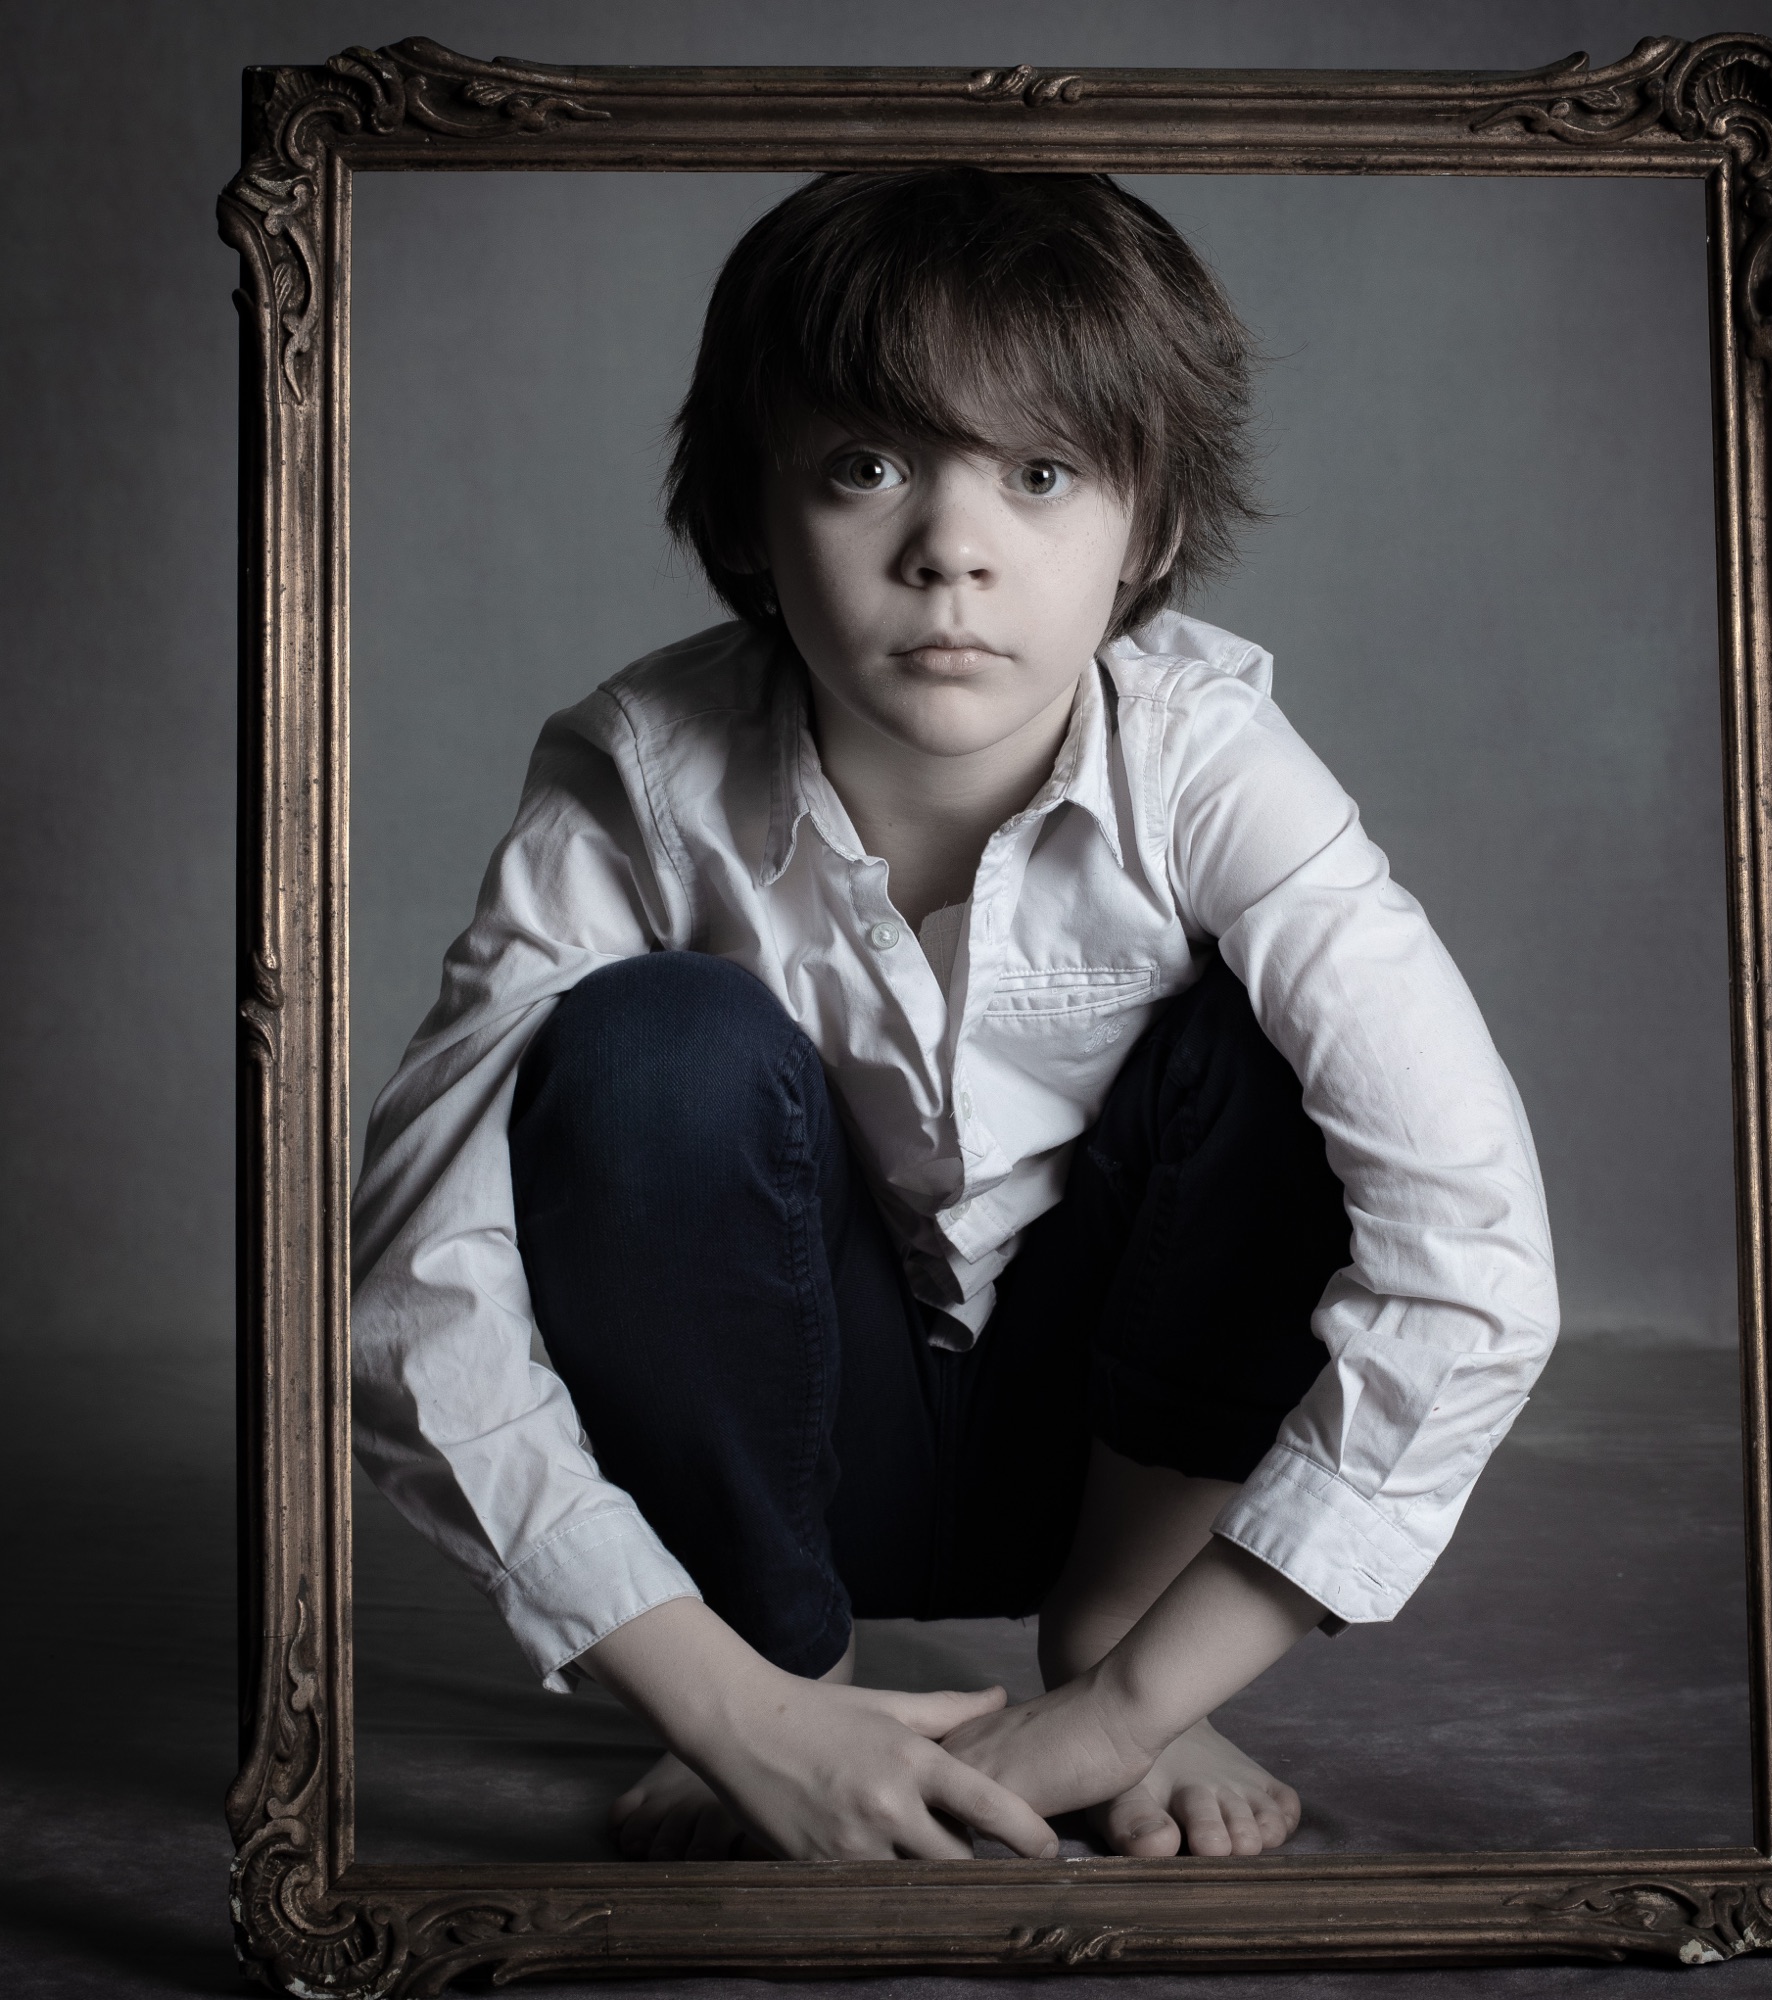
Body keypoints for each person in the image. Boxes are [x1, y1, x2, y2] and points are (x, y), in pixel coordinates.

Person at [351, 167, 1560, 1866]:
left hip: (1106, 1454)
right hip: (783, 1458)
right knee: (651, 1049)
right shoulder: (640, 768)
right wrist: (719, 1699)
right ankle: (795, 1678)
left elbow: (1472, 1248)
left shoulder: (1210, 763)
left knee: (1272, 1061)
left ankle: (1121, 1647)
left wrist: (1122, 1714)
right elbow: (415, 1279)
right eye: (864, 467)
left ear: (1143, 533)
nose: (951, 551)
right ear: (753, 516)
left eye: (1042, 474)